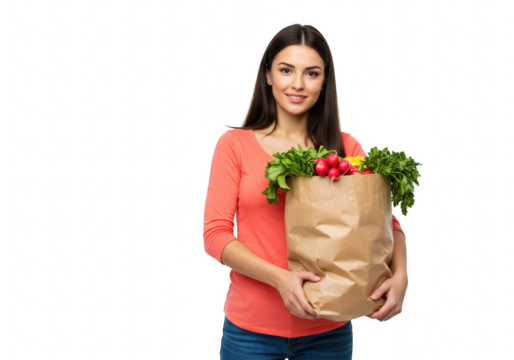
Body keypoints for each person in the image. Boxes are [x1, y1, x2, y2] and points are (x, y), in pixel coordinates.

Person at [203, 23, 408, 360]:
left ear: (324, 81)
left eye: (311, 73)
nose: (297, 84)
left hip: (329, 331)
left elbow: (389, 226)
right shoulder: (233, 145)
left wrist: (401, 276)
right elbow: (215, 234)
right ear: (267, 75)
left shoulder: (345, 147)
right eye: (286, 70)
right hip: (250, 335)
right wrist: (280, 279)